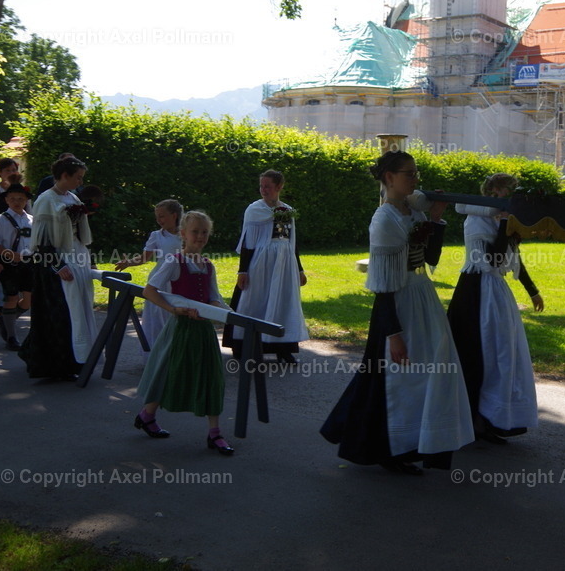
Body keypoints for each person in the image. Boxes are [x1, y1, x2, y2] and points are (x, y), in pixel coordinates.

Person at [320, 150, 474, 475]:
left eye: (416, 173)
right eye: (409, 174)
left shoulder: (411, 211)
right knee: (398, 378)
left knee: (432, 369)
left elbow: (429, 258)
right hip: (398, 305)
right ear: (390, 178)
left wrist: (435, 217)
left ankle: (417, 442)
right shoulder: (385, 219)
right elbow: (384, 284)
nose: (415, 179)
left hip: (422, 296)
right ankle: (393, 448)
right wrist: (393, 334)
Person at [447, 173, 543, 444]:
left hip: (496, 292)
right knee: (480, 354)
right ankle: (473, 422)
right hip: (475, 291)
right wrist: (503, 224)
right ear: (493, 191)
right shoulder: (476, 219)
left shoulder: (504, 219)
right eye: (506, 191)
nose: (509, 196)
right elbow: (493, 258)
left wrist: (532, 290)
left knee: (502, 356)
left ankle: (491, 420)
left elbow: (513, 257)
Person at [134, 210, 234, 456]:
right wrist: (174, 309)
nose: (200, 237)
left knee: (211, 376)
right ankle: (147, 415)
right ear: (183, 235)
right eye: (195, 232)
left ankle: (215, 433)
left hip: (203, 331)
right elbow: (149, 291)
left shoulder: (208, 265)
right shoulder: (173, 261)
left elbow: (214, 297)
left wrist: (229, 314)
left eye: (204, 232)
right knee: (167, 373)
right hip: (179, 329)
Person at [18, 157, 97, 380]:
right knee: (59, 314)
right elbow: (41, 240)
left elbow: (76, 232)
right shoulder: (46, 200)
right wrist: (58, 265)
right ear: (65, 175)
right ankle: (53, 365)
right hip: (55, 263)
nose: (81, 181)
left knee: (74, 312)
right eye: (78, 177)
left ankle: (73, 361)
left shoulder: (72, 197)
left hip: (75, 258)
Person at [222, 170, 308, 364]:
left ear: (279, 187)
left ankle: (283, 348)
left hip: (284, 266)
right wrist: (243, 270)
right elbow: (247, 241)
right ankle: (247, 347)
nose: (263, 190)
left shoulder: (287, 210)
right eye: (261, 186)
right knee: (255, 302)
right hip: (260, 264)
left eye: (267, 186)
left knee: (283, 303)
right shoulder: (254, 210)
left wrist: (299, 269)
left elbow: (292, 242)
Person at [115, 200, 184, 349]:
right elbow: (144, 258)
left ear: (174, 215)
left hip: (180, 279)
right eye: (157, 217)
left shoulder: (185, 234)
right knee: (157, 316)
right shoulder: (156, 236)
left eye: (162, 216)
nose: (159, 220)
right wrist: (128, 263)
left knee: (177, 314)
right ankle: (155, 350)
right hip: (160, 279)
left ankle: (176, 350)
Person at [0, 181, 33, 350]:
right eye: (12, 198)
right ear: (6, 200)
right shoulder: (0, 220)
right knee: (11, 297)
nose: (16, 202)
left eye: (20, 199)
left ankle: (7, 322)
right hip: (8, 263)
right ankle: (12, 338)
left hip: (28, 263)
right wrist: (10, 254)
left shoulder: (31, 220)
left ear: (26, 201)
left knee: (28, 300)